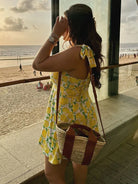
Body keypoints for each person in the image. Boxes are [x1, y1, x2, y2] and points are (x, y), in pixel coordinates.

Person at [33, 4, 103, 184]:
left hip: (65, 119)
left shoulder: (76, 52)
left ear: (72, 25)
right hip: (82, 114)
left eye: (65, 22)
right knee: (79, 161)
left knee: (52, 173)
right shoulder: (88, 50)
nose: (62, 25)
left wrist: (54, 34)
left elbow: (38, 64)